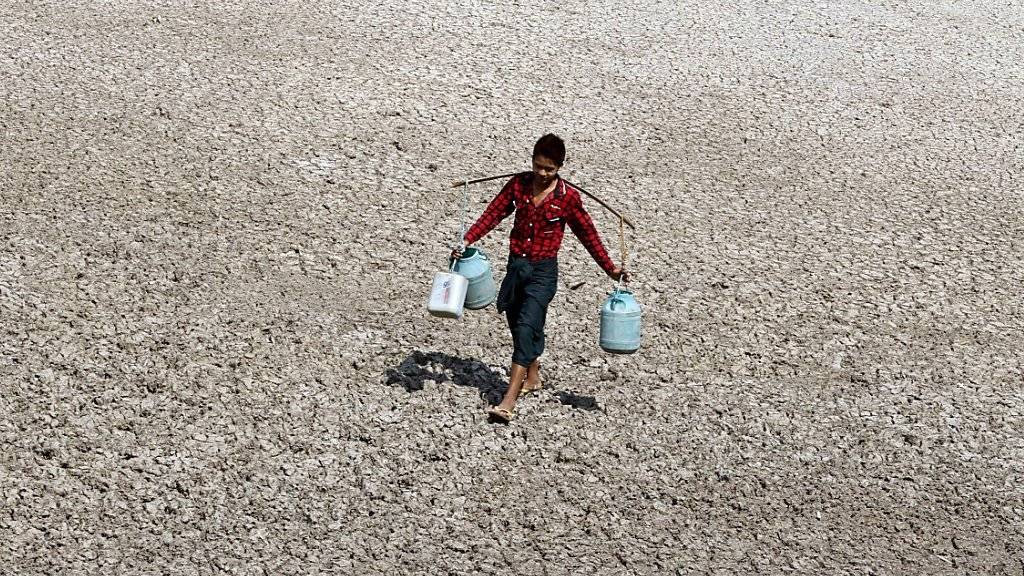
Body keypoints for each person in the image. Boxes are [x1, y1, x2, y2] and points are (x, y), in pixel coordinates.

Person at [451, 134, 629, 423]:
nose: (542, 174)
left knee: (526, 326)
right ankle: (532, 377)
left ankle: (509, 398)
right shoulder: (519, 184)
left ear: (560, 167)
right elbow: (493, 214)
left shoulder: (568, 198)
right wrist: (467, 238)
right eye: (538, 167)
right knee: (516, 320)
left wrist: (609, 268)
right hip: (516, 267)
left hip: (543, 272)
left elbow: (588, 235)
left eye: (549, 169)